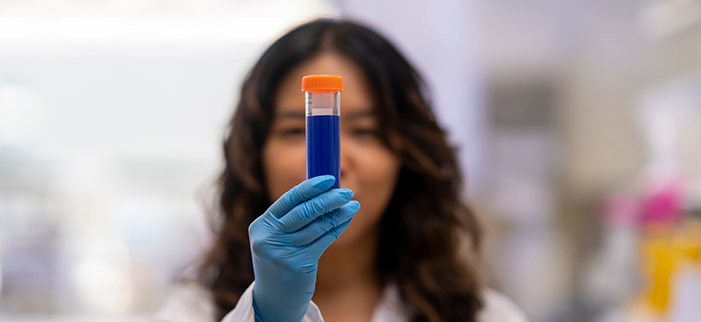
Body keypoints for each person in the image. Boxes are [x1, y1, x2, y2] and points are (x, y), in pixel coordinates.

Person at [154, 18, 528, 322]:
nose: (337, 163)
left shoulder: (483, 316)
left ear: (407, 155)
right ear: (254, 156)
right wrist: (267, 316)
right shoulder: (192, 313)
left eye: (366, 131)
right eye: (295, 130)